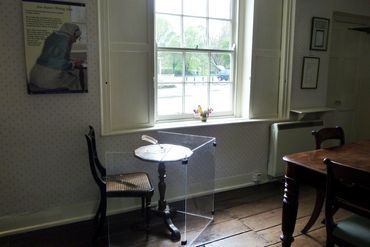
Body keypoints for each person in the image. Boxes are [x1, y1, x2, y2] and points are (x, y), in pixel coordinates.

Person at [29, 22, 84, 92]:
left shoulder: (53, 36)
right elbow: (60, 64)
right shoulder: (65, 40)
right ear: (72, 34)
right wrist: (74, 64)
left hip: (34, 75)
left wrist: (72, 60)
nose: (75, 41)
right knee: (75, 79)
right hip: (48, 79)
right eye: (76, 37)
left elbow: (52, 57)